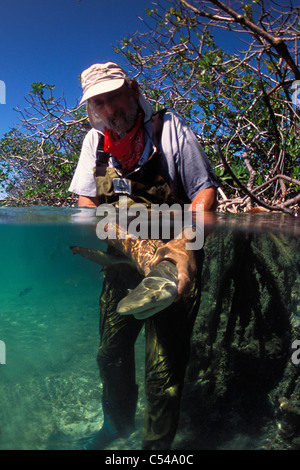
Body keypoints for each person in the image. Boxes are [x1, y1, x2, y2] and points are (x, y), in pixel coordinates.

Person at [69, 62, 219, 450]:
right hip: (121, 263)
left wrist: (183, 248)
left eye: (114, 96)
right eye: (99, 102)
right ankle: (116, 426)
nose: (109, 109)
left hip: (172, 262)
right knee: (109, 355)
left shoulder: (169, 129)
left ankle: (156, 449)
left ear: (133, 90)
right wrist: (131, 247)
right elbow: (87, 207)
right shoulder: (94, 142)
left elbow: (204, 196)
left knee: (162, 372)